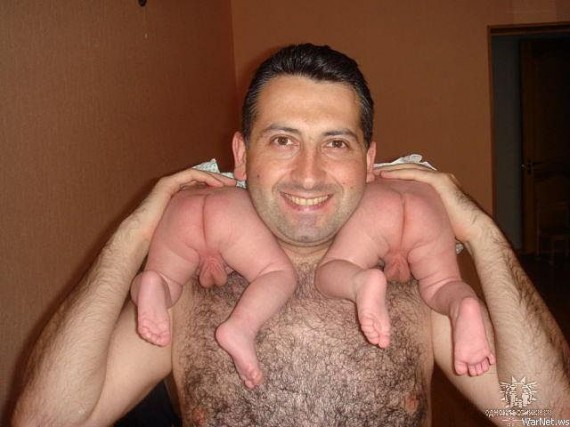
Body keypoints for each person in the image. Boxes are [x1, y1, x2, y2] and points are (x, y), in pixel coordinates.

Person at [12, 44, 569, 426]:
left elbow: (542, 416)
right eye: (282, 140)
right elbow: (48, 419)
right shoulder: (191, 290)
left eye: (336, 143)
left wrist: (479, 229)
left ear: (369, 161)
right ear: (241, 155)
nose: (308, 174)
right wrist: (134, 234)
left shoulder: (411, 286)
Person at [316, 175, 496, 376]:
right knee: (443, 283)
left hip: (378, 202)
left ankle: (361, 280)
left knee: (331, 267)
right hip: (427, 205)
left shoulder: (369, 180)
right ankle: (462, 303)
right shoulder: (424, 179)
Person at [130, 184, 296, 389]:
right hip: (229, 203)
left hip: (179, 207)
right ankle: (240, 327)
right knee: (276, 271)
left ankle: (152, 280)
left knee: (166, 280)